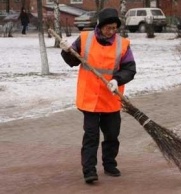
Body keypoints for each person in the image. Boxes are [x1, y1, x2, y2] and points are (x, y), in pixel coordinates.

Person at [60, 8, 136, 184]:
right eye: (108, 27)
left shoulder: (122, 44)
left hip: (111, 98)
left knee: (112, 135)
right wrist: (66, 51)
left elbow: (130, 69)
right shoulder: (85, 38)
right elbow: (73, 60)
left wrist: (117, 80)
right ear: (100, 26)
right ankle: (89, 171)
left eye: (114, 28)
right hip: (90, 99)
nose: (111, 31)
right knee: (91, 136)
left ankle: (109, 164)